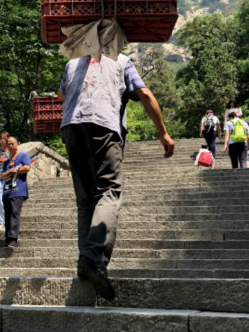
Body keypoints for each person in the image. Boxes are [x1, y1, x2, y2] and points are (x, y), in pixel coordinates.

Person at [57, 53, 175, 300]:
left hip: (71, 128)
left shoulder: (71, 63)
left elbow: (62, 96)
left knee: (85, 200)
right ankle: (93, 258)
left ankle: (85, 263)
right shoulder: (121, 61)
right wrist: (163, 132)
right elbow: (144, 94)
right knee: (108, 192)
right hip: (103, 127)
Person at [1, 135, 31, 248]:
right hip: (7, 191)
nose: (10, 145)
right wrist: (10, 172)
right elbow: (3, 176)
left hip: (18, 190)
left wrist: (15, 170)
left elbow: (27, 167)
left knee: (14, 213)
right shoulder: (6, 161)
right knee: (7, 215)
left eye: (12, 143)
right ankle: (8, 238)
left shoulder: (23, 155)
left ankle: (13, 238)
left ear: (17, 144)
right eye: (8, 144)